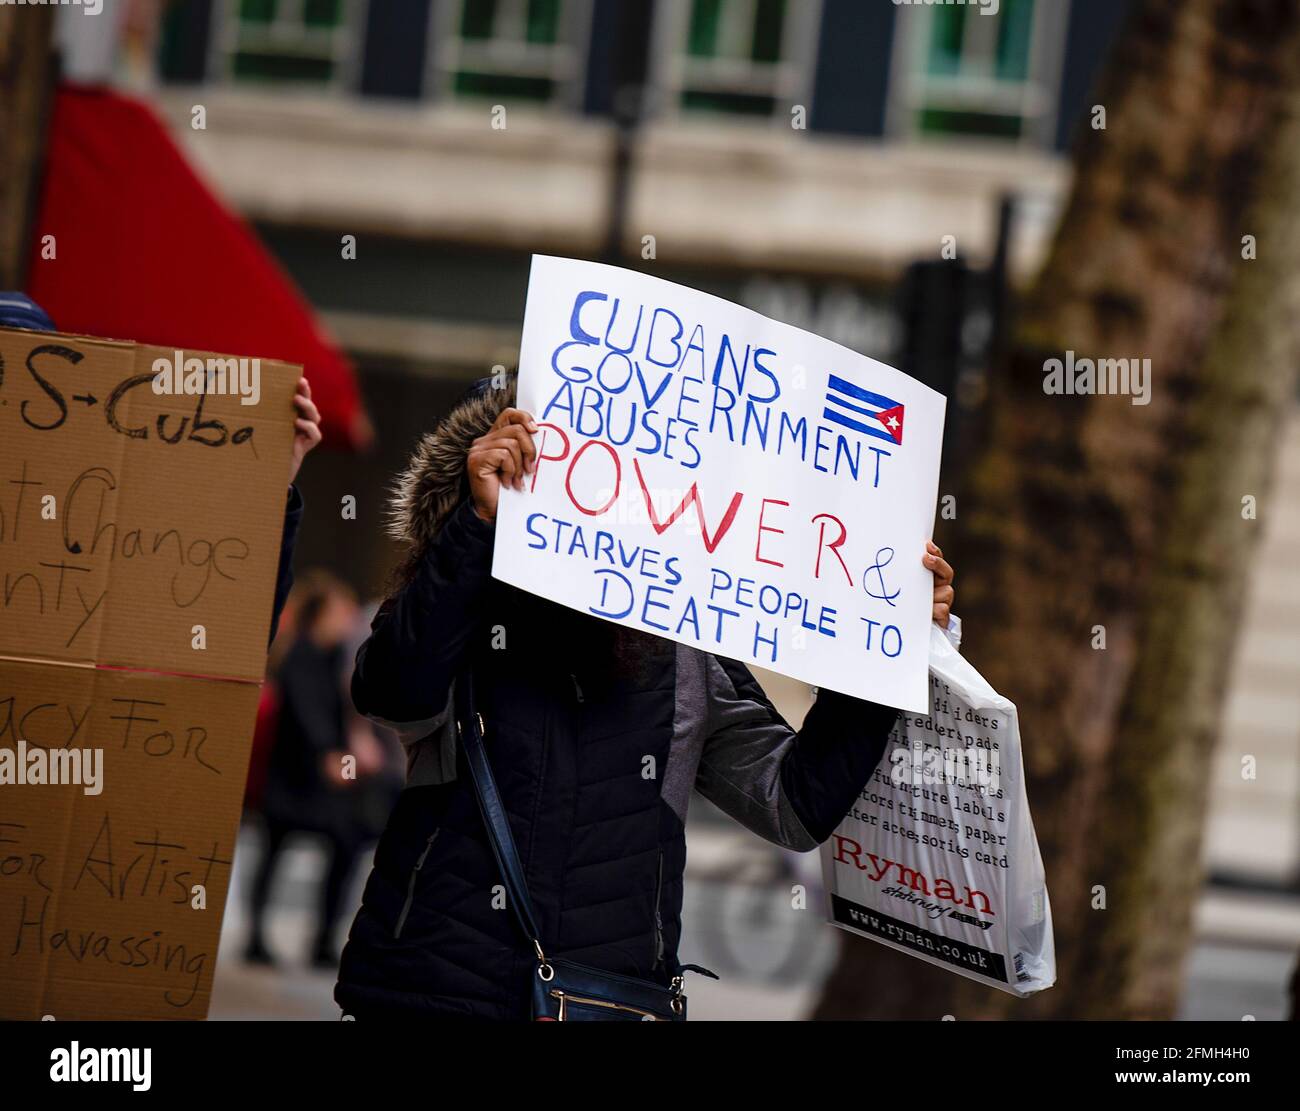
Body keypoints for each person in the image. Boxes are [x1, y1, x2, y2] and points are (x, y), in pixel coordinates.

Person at [334, 374, 957, 1020]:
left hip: (606, 1004)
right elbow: (390, 690)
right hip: (426, 999)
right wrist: (477, 522)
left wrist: (880, 649)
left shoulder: (684, 650)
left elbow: (793, 803)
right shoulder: (464, 593)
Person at [247, 571, 367, 968]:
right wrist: (327, 754)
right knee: (274, 849)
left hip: (314, 781)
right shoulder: (299, 654)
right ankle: (258, 936)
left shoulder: (335, 658)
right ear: (322, 615)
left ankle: (322, 938)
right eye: (342, 612)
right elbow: (304, 713)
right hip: (292, 778)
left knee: (342, 844)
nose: (349, 620)